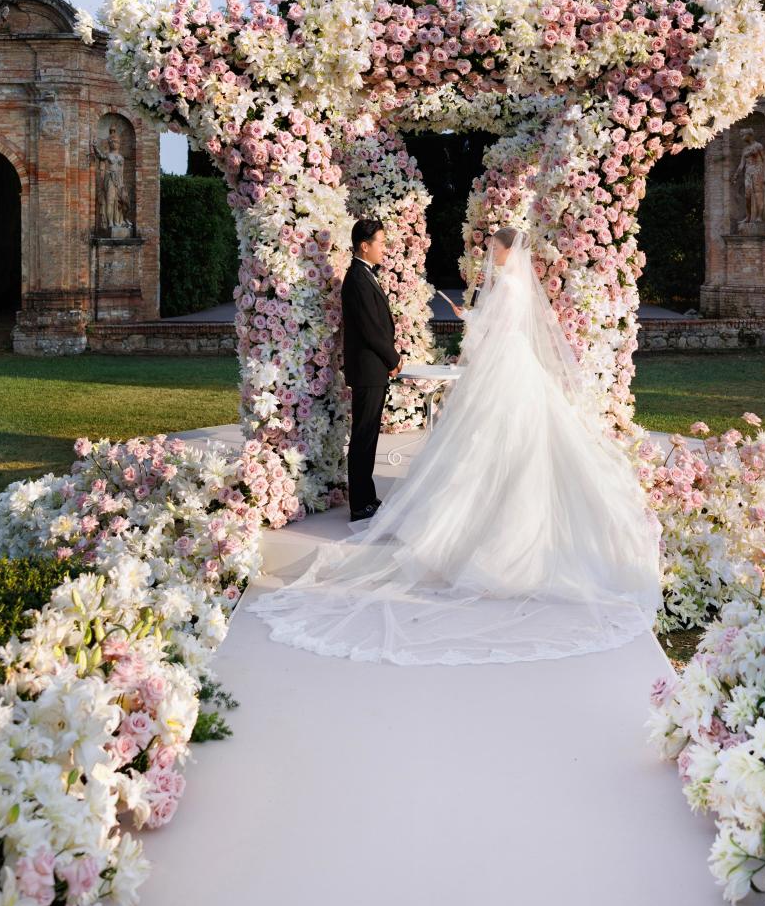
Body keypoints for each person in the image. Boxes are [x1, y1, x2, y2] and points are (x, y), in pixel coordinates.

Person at [250, 227, 662, 665]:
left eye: (495, 249)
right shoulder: (517, 285)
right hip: (516, 367)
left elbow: (494, 331)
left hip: (506, 368)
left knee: (491, 440)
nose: (491, 255)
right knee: (512, 440)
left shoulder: (507, 285)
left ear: (507, 251)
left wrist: (469, 318)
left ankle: (481, 529)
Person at [340, 218, 401, 521]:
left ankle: (367, 497)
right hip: (368, 369)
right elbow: (370, 329)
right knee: (363, 436)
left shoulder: (365, 275)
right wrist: (393, 358)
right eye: (381, 242)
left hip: (372, 369)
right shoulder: (356, 278)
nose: (384, 248)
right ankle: (359, 504)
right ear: (365, 246)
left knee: (369, 437)